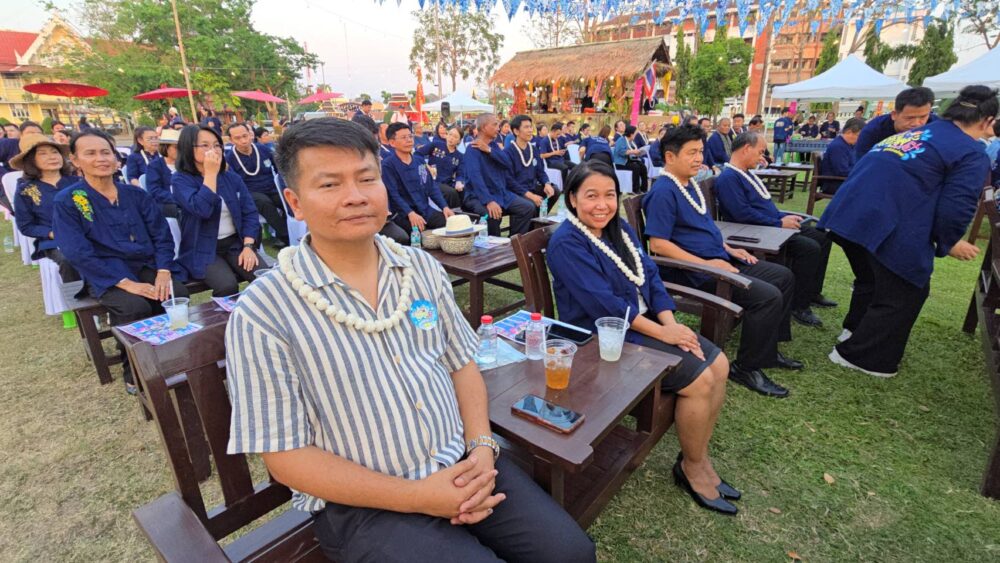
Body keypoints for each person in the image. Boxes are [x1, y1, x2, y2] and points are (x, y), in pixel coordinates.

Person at [228, 117, 596, 561]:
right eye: (329, 184)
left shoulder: (419, 268)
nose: (355, 196)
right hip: (364, 504)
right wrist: (419, 497)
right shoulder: (265, 310)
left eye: (367, 178)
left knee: (570, 553)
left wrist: (481, 448)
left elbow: (462, 365)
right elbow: (284, 456)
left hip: (462, 460)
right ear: (295, 202)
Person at [548, 160, 739, 514]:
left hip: (645, 323)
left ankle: (697, 456)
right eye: (591, 196)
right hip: (602, 337)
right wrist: (664, 333)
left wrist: (670, 324)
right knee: (700, 379)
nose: (602, 205)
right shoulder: (566, 243)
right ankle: (693, 467)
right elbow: (605, 305)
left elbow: (649, 274)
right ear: (572, 198)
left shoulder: (618, 228)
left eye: (609, 195)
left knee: (720, 365)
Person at [818, 85, 997, 377]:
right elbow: (956, 207)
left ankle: (854, 332)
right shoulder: (969, 151)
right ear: (988, 120)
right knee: (908, 287)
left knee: (873, 280)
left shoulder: (919, 133)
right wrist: (948, 241)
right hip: (881, 219)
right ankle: (861, 356)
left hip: (847, 213)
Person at [644, 125, 800, 398]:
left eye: (700, 151)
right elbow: (658, 245)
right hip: (695, 272)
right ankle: (746, 367)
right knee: (767, 296)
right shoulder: (663, 192)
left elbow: (704, 229)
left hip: (719, 259)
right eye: (691, 153)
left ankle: (768, 349)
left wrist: (729, 248)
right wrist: (709, 264)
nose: (699, 159)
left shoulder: (689, 185)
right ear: (670, 157)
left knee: (783, 276)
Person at [53, 129, 187, 393]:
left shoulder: (136, 195)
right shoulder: (69, 200)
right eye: (90, 153)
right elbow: (77, 252)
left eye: (106, 152)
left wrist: (163, 271)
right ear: (75, 160)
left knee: (174, 294)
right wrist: (127, 284)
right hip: (106, 272)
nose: (101, 159)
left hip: (146, 265)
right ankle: (134, 369)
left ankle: (169, 357)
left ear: (116, 158)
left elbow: (162, 235)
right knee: (134, 306)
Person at [715, 132, 835, 327]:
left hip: (770, 224)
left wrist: (782, 217)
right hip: (758, 231)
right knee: (809, 248)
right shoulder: (729, 177)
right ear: (746, 149)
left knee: (823, 237)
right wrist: (779, 223)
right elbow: (741, 214)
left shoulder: (745, 173)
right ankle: (799, 306)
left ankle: (811, 292)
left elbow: (763, 206)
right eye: (760, 152)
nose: (762, 157)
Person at [172, 125, 264, 297]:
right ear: (188, 149)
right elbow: (202, 210)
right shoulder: (180, 180)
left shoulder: (231, 177)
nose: (213, 150)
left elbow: (249, 212)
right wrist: (210, 174)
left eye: (216, 145)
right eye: (205, 145)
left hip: (236, 244)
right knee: (227, 285)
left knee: (264, 277)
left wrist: (248, 246)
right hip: (202, 247)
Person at [10, 133, 81, 281]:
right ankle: (78, 294)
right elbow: (26, 226)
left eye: (55, 152)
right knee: (68, 259)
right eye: (43, 154)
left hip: (85, 234)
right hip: (55, 241)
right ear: (31, 160)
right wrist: (51, 233)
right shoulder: (26, 190)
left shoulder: (78, 182)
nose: (52, 157)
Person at [461, 113, 535, 237]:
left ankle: (514, 242)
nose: (498, 128)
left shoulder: (493, 146)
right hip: (477, 197)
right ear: (484, 127)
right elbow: (476, 179)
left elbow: (507, 163)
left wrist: (489, 150)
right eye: (495, 125)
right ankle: (495, 246)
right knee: (492, 215)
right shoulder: (472, 149)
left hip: (500, 193)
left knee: (527, 207)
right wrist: (489, 201)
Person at [224, 122, 289, 248]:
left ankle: (291, 232)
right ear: (231, 140)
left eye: (245, 136)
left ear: (250, 135)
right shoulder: (230, 158)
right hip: (250, 192)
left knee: (288, 200)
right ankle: (286, 237)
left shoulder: (262, 149)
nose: (243, 141)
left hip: (272, 188)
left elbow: (279, 167)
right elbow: (232, 182)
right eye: (238, 138)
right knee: (265, 203)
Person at [382, 122, 455, 235]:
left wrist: (444, 207)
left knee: (451, 225)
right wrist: (410, 213)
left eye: (410, 136)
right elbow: (393, 194)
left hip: (425, 209)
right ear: (392, 142)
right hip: (403, 214)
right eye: (404, 137)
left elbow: (432, 187)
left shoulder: (419, 161)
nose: (409, 140)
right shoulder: (388, 165)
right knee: (420, 235)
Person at [855, 87, 936, 158]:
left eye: (923, 117)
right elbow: (861, 163)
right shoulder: (873, 131)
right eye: (909, 118)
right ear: (894, 115)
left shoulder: (936, 127)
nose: (916, 123)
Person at [505, 115, 559, 213]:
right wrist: (530, 195)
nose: (530, 130)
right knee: (530, 204)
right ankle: (531, 220)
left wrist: (546, 183)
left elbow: (540, 171)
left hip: (532, 186)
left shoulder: (533, 149)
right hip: (517, 191)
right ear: (516, 131)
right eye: (526, 127)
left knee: (554, 190)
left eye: (530, 127)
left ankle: (539, 217)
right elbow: (509, 181)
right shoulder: (508, 152)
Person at [818, 117, 864, 195]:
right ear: (849, 132)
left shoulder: (848, 145)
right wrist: (861, 172)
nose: (860, 139)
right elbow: (842, 171)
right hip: (834, 183)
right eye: (859, 135)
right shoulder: (838, 146)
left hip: (843, 181)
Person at [144, 128, 181, 218]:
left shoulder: (185, 164)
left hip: (185, 199)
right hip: (166, 203)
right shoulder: (154, 166)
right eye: (176, 147)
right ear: (165, 147)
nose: (180, 151)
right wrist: (177, 198)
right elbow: (154, 191)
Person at [428, 126, 466, 204]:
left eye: (455, 137)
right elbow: (418, 154)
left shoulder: (460, 156)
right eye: (450, 134)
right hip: (433, 181)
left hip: (448, 182)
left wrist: (459, 181)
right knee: (451, 193)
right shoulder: (436, 145)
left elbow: (460, 173)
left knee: (464, 190)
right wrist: (426, 165)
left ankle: (464, 209)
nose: (451, 138)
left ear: (459, 141)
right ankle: (452, 210)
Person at [613, 125, 648, 193]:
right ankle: (635, 189)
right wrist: (633, 152)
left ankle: (644, 188)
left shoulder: (631, 141)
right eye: (635, 133)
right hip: (620, 162)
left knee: (643, 167)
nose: (636, 135)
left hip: (629, 160)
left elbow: (633, 150)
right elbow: (621, 152)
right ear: (631, 134)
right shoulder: (621, 140)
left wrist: (639, 152)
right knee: (636, 167)